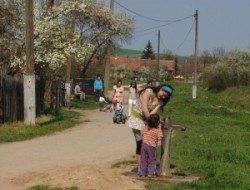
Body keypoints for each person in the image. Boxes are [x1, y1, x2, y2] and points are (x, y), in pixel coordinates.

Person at [126, 84, 173, 174]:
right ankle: (141, 167)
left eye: (164, 96)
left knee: (148, 144)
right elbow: (144, 107)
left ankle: (147, 167)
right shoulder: (148, 92)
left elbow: (152, 113)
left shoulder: (160, 101)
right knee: (141, 144)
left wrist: (157, 117)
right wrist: (152, 121)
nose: (162, 96)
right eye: (163, 93)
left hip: (146, 121)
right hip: (137, 120)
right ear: (160, 89)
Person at [139, 113, 163, 177]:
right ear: (158, 122)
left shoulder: (146, 128)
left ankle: (142, 173)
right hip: (151, 147)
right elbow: (160, 137)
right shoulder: (158, 130)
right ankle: (151, 173)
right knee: (152, 160)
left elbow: (141, 133)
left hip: (144, 146)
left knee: (143, 160)